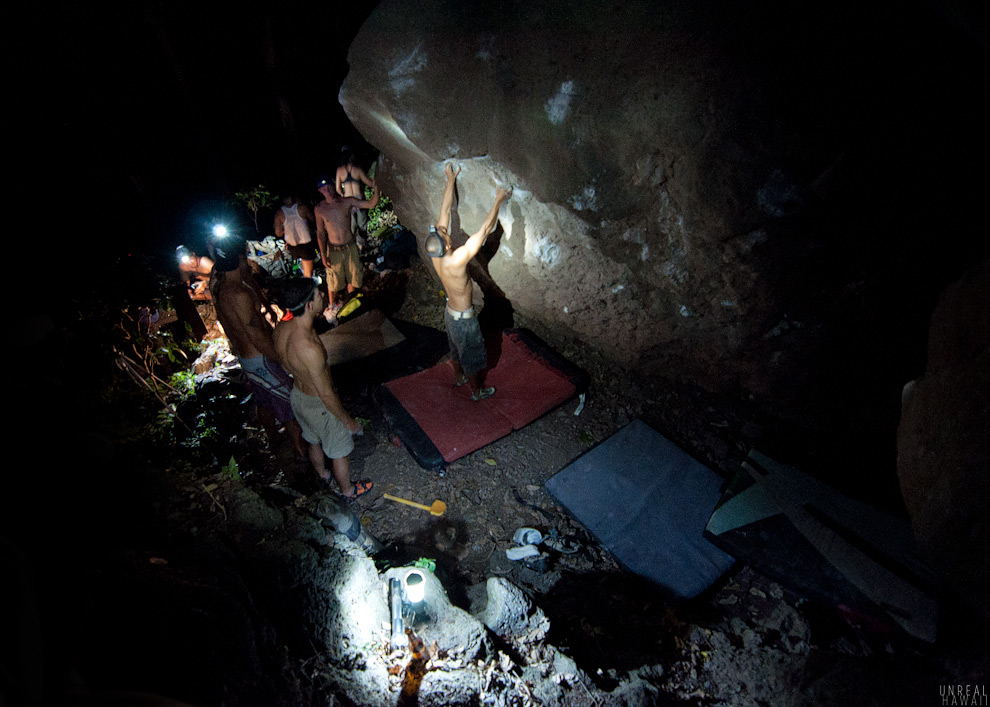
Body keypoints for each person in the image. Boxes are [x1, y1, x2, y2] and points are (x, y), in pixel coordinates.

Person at [273, 277, 371, 501]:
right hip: (319, 403)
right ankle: (348, 490)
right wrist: (348, 422)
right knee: (338, 450)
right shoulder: (308, 347)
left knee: (312, 438)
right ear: (308, 305)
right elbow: (326, 394)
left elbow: (284, 362)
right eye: (318, 295)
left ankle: (323, 475)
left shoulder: (282, 329)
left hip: (298, 396)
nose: (322, 297)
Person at [209, 236, 306, 459]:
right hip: (260, 357)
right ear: (240, 259)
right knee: (289, 401)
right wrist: (282, 358)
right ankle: (301, 452)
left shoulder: (220, 287)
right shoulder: (239, 294)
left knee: (263, 398)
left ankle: (274, 440)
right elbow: (255, 335)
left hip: (246, 358)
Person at [426, 163, 512, 401]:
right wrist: (498, 199)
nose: (445, 230)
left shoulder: (436, 254)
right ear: (448, 245)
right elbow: (484, 231)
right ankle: (476, 391)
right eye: (445, 234)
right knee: (472, 355)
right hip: (464, 319)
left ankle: (459, 377)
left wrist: (450, 179)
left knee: (455, 348)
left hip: (449, 313)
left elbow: (445, 212)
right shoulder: (456, 260)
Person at [314, 175, 379, 318]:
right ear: (320, 190)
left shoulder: (346, 201)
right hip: (334, 250)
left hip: (350, 247)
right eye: (323, 188)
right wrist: (323, 256)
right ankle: (332, 307)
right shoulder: (320, 209)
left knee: (354, 278)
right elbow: (320, 234)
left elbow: (371, 204)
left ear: (334, 186)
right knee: (333, 282)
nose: (328, 190)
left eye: (329, 186)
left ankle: (353, 305)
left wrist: (376, 188)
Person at [335, 146, 376, 236]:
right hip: (359, 200)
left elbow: (337, 189)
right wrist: (375, 182)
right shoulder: (357, 169)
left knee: (351, 226)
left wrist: (342, 194)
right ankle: (362, 245)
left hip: (348, 201)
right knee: (362, 225)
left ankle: (354, 247)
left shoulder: (339, 170)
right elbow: (369, 183)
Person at [273, 194, 317, 278]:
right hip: (305, 245)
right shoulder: (303, 208)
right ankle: (307, 287)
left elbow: (278, 233)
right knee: (308, 274)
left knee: (296, 269)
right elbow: (313, 220)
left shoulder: (279, 213)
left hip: (292, 246)